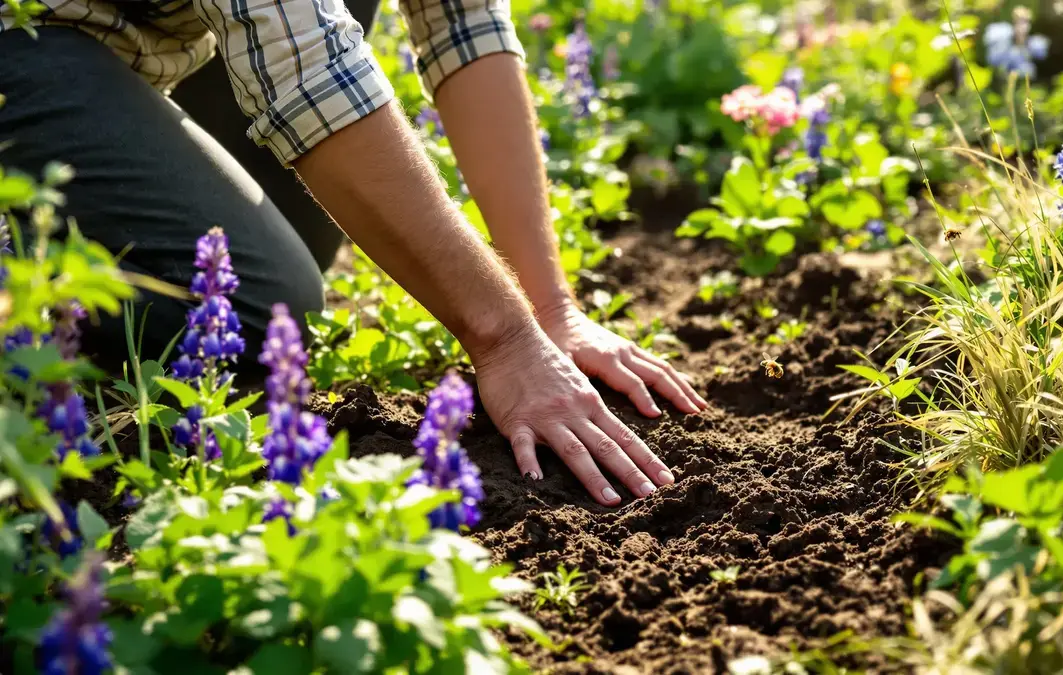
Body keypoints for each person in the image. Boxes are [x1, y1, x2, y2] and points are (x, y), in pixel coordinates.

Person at [0, 0, 707, 506]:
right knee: (251, 309)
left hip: (127, 36)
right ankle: (33, 321)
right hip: (22, 34)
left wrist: (550, 311)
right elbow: (305, 66)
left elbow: (462, 19)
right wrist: (505, 338)